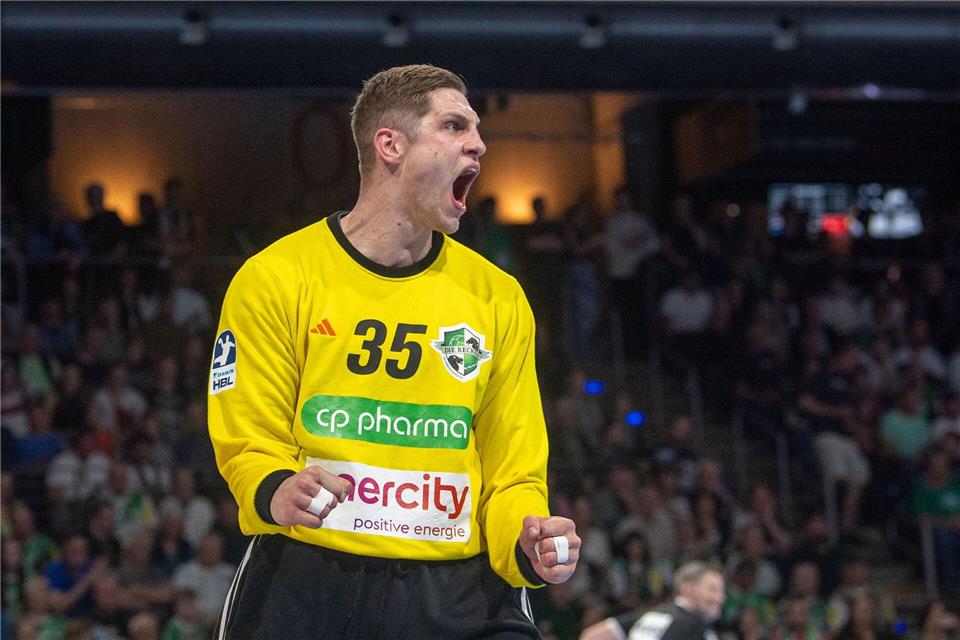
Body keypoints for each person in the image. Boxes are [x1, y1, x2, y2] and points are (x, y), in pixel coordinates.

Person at [208, 64, 580, 639]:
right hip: (310, 579)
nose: (479, 144)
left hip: (458, 590)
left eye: (476, 130)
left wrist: (525, 535)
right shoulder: (276, 277)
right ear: (391, 145)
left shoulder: (498, 297)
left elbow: (513, 474)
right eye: (455, 126)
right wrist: (276, 487)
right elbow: (248, 439)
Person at [579, 561, 725, 640]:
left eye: (720, 591)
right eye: (712, 589)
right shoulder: (693, 625)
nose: (720, 597)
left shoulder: (650, 614)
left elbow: (590, 636)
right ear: (688, 590)